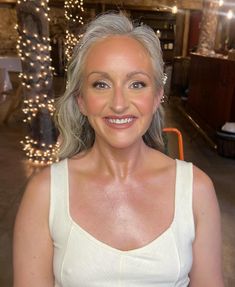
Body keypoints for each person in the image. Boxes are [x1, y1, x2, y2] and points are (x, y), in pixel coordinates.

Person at [13, 12, 224, 287]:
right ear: (81, 100)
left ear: (158, 95)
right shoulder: (45, 194)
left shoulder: (196, 189)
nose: (119, 103)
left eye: (137, 83)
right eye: (101, 84)